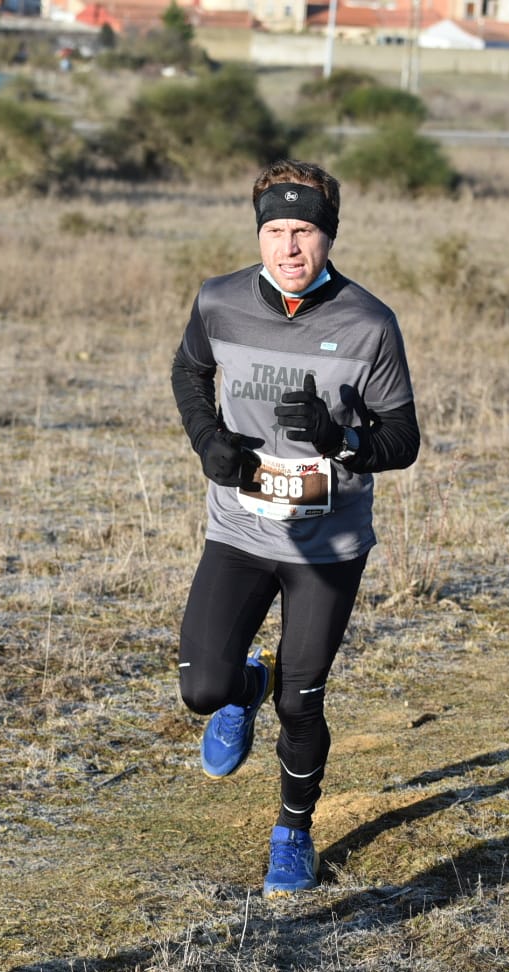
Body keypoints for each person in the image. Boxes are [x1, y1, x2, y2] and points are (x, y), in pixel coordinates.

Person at [170, 160, 421, 897]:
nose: (288, 247)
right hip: (241, 529)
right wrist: (209, 439)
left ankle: (293, 833)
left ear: (328, 235)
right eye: (275, 230)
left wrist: (339, 439)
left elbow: (402, 440)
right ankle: (243, 687)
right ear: (259, 233)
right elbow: (189, 373)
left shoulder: (368, 323)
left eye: (303, 231)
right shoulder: (219, 301)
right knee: (201, 689)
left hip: (327, 544)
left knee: (302, 700)